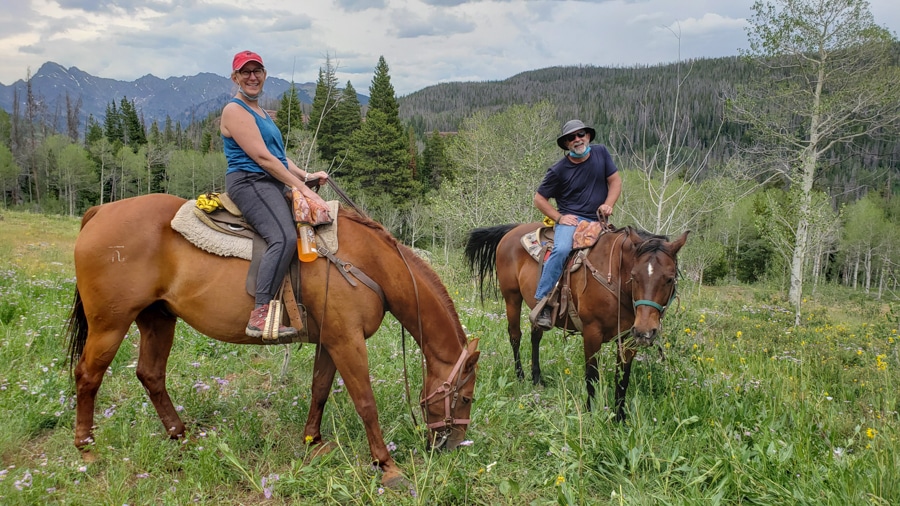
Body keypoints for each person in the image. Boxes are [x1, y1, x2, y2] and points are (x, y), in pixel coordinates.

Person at [220, 50, 330, 339]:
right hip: (249, 181)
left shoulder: (261, 113)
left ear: (265, 75)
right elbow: (262, 158)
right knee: (282, 236)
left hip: (269, 181)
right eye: (246, 72)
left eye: (257, 71)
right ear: (235, 78)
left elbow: (278, 158)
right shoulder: (234, 110)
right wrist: (303, 190)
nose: (252, 77)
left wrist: (306, 175)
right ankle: (260, 313)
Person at [532, 119, 622, 330]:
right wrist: (559, 218)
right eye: (571, 138)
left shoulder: (601, 153)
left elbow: (615, 181)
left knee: (620, 249)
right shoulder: (558, 170)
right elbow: (539, 199)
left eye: (580, 134)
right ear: (566, 144)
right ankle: (543, 301)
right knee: (562, 249)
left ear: (588, 136)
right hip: (571, 221)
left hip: (599, 220)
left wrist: (609, 204)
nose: (577, 139)